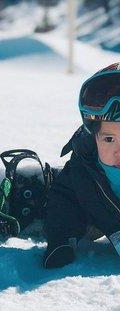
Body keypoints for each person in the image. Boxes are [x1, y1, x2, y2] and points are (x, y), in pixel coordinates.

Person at [44, 62, 120, 268]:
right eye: (109, 139)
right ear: (93, 138)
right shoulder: (83, 168)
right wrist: (60, 240)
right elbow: (64, 199)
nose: (118, 151)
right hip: (101, 219)